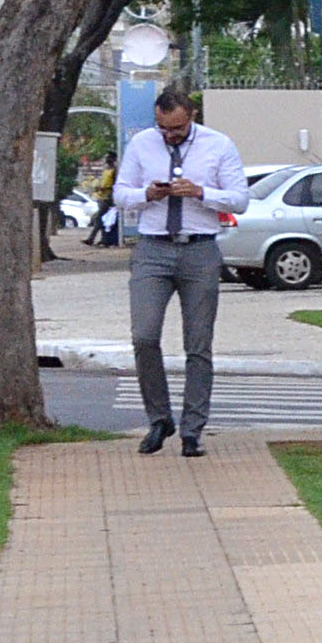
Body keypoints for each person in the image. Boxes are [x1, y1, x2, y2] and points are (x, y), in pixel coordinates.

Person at [112, 86, 247, 455]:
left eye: (177, 129)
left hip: (199, 249)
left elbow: (240, 199)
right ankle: (159, 419)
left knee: (198, 344)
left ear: (192, 118)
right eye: (163, 128)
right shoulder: (142, 144)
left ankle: (192, 430)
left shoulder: (219, 145)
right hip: (153, 248)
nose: (170, 135)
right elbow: (120, 194)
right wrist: (147, 194)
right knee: (144, 336)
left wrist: (201, 192)